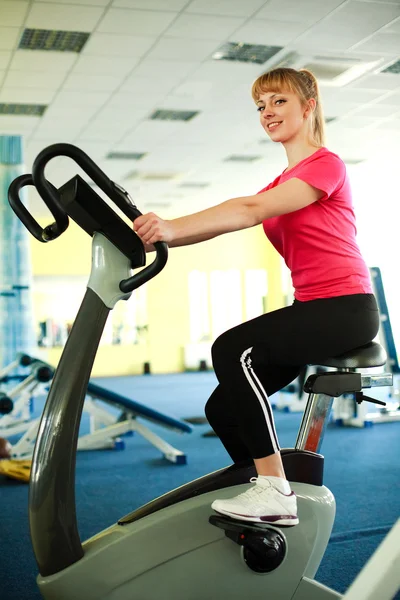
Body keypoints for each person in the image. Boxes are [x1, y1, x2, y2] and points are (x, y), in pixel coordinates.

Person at [133, 67, 379, 526]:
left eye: (278, 101)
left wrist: (170, 225)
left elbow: (248, 212)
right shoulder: (277, 184)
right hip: (312, 308)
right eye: (260, 106)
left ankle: (274, 490)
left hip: (346, 308)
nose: (267, 112)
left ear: (308, 107)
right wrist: (160, 239)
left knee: (230, 349)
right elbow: (231, 215)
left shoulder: (326, 164)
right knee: (221, 407)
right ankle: (262, 492)